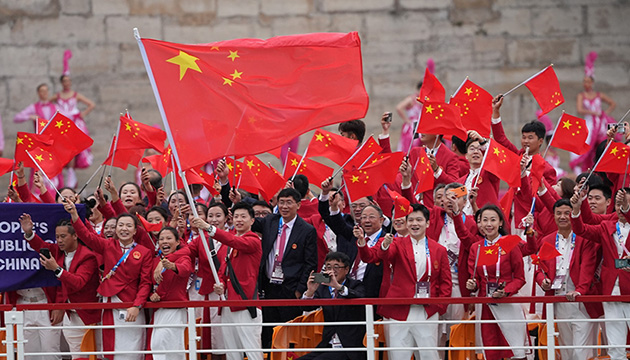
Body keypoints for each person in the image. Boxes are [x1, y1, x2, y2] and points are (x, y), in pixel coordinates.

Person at [64, 201, 152, 360]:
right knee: (111, 349)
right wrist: (74, 215)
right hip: (111, 302)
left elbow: (145, 282)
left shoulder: (144, 252)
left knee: (134, 350)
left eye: (128, 226)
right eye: (121, 225)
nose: (124, 229)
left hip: (132, 306)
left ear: (135, 230)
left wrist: (137, 305)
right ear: (116, 229)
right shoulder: (107, 245)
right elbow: (86, 236)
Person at [368, 204, 451, 360]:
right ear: (406, 223)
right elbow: (385, 255)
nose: (415, 224)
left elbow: (445, 281)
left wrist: (439, 307)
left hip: (427, 311)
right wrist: (385, 244)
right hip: (399, 309)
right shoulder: (397, 244)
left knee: (429, 355)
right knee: (398, 355)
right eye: (411, 220)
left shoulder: (439, 249)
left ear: (427, 223)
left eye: (419, 220)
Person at [20, 215, 101, 359]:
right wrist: (29, 233)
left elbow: (78, 282)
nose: (59, 240)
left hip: (87, 315)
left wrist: (56, 269)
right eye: (57, 236)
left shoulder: (87, 256)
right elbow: (41, 246)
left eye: (63, 236)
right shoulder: (58, 250)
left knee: (94, 354)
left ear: (75, 235)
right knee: (76, 355)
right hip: (70, 315)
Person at [192, 202, 263, 360]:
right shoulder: (232, 243)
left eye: (243, 216)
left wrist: (208, 228)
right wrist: (221, 283)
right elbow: (223, 269)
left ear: (252, 221)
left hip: (245, 304)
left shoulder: (253, 240)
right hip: (227, 304)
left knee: (252, 351)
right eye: (236, 216)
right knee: (231, 351)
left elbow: (234, 242)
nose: (239, 220)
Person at [250, 188, 318, 349]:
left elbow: (311, 264)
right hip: (268, 288)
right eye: (281, 202)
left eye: (289, 202)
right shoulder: (269, 222)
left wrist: (299, 291)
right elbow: (247, 219)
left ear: (298, 205)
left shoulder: (307, 230)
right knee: (267, 333)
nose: (284, 206)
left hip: (290, 289)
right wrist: (229, 193)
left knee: (287, 335)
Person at [534, 199, 602, 360]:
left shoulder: (584, 238)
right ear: (554, 216)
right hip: (558, 299)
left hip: (581, 301)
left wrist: (580, 290)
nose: (563, 217)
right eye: (559, 213)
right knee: (565, 349)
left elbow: (588, 267)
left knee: (581, 352)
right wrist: (542, 281)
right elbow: (539, 268)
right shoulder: (546, 240)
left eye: (567, 213)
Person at [571, 188, 630, 360]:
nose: (621, 208)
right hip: (611, 290)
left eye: (625, 204)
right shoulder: (607, 226)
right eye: (619, 204)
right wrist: (576, 210)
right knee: (615, 344)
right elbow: (582, 230)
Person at [466, 204, 527, 360]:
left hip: (508, 302)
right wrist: (473, 285)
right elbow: (476, 278)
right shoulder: (476, 248)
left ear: (500, 223)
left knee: (515, 350)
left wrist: (506, 291)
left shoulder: (510, 244)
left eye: (493, 220)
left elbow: (520, 278)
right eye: (484, 220)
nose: (488, 224)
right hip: (486, 305)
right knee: (491, 350)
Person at [299, 252, 366, 360]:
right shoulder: (323, 288)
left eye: (336, 267)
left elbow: (360, 296)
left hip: (349, 347)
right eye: (328, 267)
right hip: (328, 344)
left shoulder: (355, 285)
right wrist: (309, 292)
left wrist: (338, 287)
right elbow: (306, 307)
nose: (331, 271)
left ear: (346, 269)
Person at [149, 227, 193, 360]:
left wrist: (172, 266)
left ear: (178, 242)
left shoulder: (183, 258)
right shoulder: (156, 261)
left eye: (169, 238)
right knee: (157, 345)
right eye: (161, 239)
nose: (164, 241)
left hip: (175, 308)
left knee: (171, 345)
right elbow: (150, 284)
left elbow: (186, 270)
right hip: (159, 310)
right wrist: (152, 295)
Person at [573, 51, 617, 173]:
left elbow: (612, 103)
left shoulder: (598, 95)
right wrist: (594, 113)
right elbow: (579, 109)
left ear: (592, 82)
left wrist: (605, 113)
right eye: (584, 81)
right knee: (586, 146)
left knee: (604, 142)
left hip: (600, 123)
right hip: (589, 123)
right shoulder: (581, 95)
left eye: (588, 81)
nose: (586, 84)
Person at [51, 73, 95, 188]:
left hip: (74, 124)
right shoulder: (57, 96)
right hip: (62, 125)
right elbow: (46, 103)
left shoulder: (75, 95)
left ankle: (71, 174)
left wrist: (82, 114)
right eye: (65, 81)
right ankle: (67, 175)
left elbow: (91, 104)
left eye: (68, 81)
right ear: (61, 83)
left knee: (73, 150)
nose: (67, 83)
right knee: (64, 149)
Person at [395, 81, 423, 152]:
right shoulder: (412, 99)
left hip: (421, 126)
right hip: (412, 126)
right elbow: (399, 107)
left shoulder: (424, 100)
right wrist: (406, 120)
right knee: (409, 145)